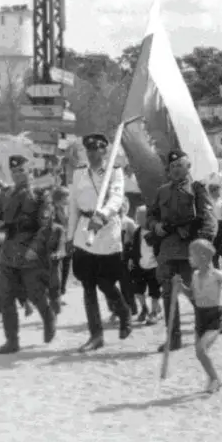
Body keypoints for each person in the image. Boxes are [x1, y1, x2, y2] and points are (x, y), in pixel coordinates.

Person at [66, 133, 133, 352]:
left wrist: (102, 214)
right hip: (85, 232)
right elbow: (74, 206)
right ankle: (96, 335)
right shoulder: (79, 174)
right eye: (89, 150)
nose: (93, 154)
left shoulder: (114, 172)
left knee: (105, 282)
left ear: (105, 151)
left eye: (97, 150)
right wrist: (69, 236)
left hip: (106, 231)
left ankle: (123, 311)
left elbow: (116, 198)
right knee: (88, 285)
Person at [148, 149, 217, 351]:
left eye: (180, 166)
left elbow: (209, 220)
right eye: (172, 167)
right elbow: (152, 216)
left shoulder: (197, 190)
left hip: (191, 251)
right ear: (168, 171)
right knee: (169, 295)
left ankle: (204, 330)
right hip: (168, 250)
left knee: (197, 292)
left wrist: (202, 246)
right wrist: (156, 226)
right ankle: (173, 338)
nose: (177, 170)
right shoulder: (162, 192)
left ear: (188, 167)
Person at [0, 155, 56, 354]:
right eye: (15, 171)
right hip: (9, 250)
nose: (19, 174)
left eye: (22, 170)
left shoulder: (40, 194)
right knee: (6, 296)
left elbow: (45, 227)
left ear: (30, 172)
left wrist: (34, 250)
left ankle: (48, 317)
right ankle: (12, 340)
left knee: (35, 295)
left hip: (29, 251)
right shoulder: (5, 193)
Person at [173, 239, 222, 395]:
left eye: (191, 255)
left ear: (203, 257)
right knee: (200, 353)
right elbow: (192, 296)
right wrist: (180, 288)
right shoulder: (194, 275)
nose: (189, 258)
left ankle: (215, 379)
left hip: (215, 317)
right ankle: (212, 378)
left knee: (201, 350)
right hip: (200, 316)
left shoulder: (216, 274)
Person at [127, 205, 161, 326]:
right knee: (138, 290)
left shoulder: (156, 231)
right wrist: (131, 258)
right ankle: (144, 308)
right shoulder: (137, 232)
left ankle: (154, 313)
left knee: (154, 291)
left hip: (154, 266)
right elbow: (133, 246)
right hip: (140, 265)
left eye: (140, 216)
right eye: (137, 216)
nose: (137, 219)